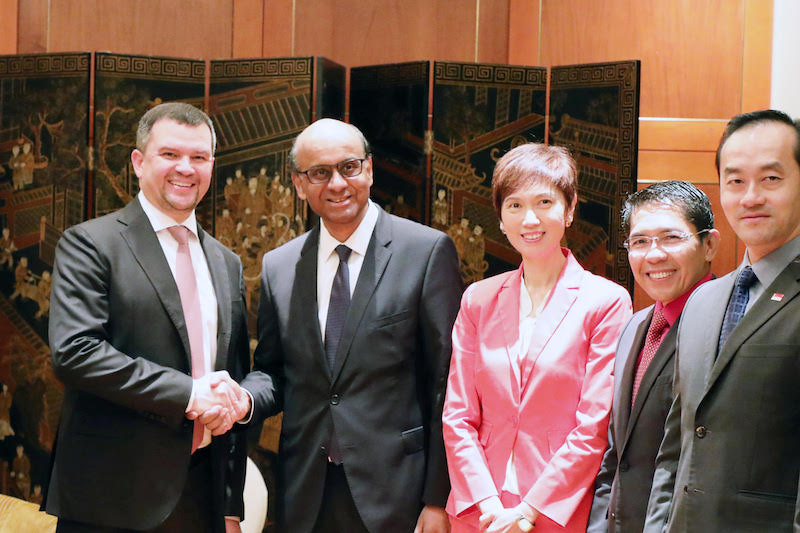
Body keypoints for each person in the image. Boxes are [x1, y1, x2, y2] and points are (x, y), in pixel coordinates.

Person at [235, 118, 462, 533]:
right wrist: (242, 400)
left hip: (399, 494)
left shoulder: (426, 252)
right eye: (319, 173)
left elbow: (446, 385)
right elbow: (272, 370)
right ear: (299, 184)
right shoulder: (279, 267)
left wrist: (439, 497)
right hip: (306, 493)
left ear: (370, 170)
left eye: (349, 167)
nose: (337, 184)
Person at [44, 102, 251, 533]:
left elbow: (232, 377)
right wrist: (189, 395)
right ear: (139, 162)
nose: (186, 168)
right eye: (170, 154)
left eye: (199, 157)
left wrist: (230, 503)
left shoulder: (226, 262)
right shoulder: (90, 244)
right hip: (111, 498)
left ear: (212, 165)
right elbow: (75, 353)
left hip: (200, 495)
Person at [443, 143, 632, 533]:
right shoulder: (478, 299)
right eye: (514, 205)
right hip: (479, 511)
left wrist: (527, 510)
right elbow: (458, 415)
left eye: (545, 202)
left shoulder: (606, 302)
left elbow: (594, 424)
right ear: (500, 217)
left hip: (554, 511)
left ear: (570, 208)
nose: (530, 219)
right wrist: (489, 504)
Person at [644, 109, 800, 532]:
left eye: (771, 178)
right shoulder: (703, 301)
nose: (750, 197)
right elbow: (676, 445)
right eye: (735, 181)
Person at [587, 181, 720, 533]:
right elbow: (617, 456)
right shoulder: (633, 327)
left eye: (671, 238)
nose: (654, 254)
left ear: (709, 245)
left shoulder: (728, 325)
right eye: (640, 241)